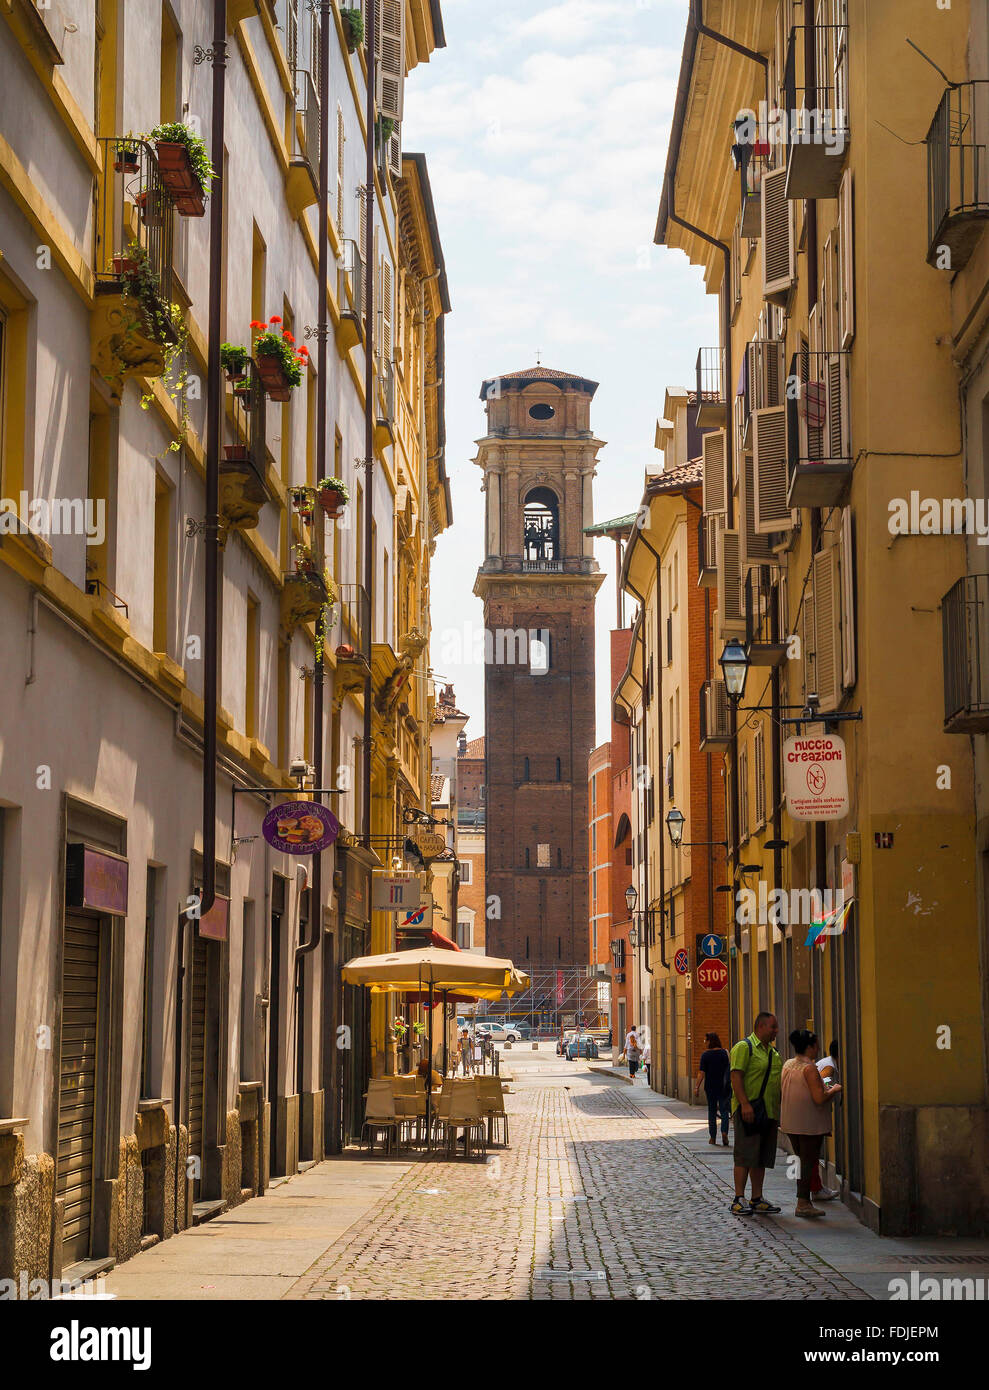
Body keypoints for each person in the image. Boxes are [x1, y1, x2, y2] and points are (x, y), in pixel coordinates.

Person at [779, 1028, 842, 1218]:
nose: (818, 1049)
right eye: (816, 1045)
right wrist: (834, 1089)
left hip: (791, 1121)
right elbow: (819, 1097)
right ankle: (803, 1203)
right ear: (810, 1047)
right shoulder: (809, 1068)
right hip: (808, 1123)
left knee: (802, 1161)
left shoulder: (788, 1064)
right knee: (807, 1162)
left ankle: (804, 1200)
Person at [728, 1012, 783, 1215]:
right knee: (745, 1154)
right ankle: (738, 1198)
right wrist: (744, 1104)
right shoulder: (745, 1047)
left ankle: (757, 1198)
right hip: (749, 1110)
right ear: (761, 1026)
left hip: (768, 1111)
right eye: (773, 1027)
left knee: (761, 1156)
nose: (776, 1031)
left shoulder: (773, 1052)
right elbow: (736, 1077)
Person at [812, 1039, 841, 1200]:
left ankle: (817, 1188)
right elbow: (823, 1083)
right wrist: (833, 1089)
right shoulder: (829, 1067)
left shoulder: (827, 1062)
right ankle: (816, 1189)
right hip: (816, 1113)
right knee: (813, 1152)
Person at [695, 1032, 731, 1147]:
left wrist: (697, 1087)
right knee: (724, 1111)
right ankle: (724, 1132)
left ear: (710, 1041)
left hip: (710, 1087)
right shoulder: (725, 1053)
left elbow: (701, 1073)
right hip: (723, 1087)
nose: (705, 1043)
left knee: (712, 1112)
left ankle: (713, 1137)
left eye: (706, 1041)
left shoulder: (705, 1055)